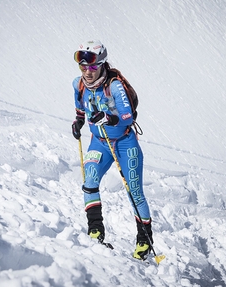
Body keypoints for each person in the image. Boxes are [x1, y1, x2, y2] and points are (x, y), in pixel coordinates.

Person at [71, 40, 153, 260]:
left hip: (125, 143)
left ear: (102, 64)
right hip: (99, 142)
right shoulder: (77, 84)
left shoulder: (114, 86)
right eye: (83, 67)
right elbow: (81, 108)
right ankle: (95, 230)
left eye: (92, 67)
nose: (87, 72)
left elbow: (128, 116)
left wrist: (108, 117)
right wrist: (78, 122)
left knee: (134, 192)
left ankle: (144, 241)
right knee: (90, 180)